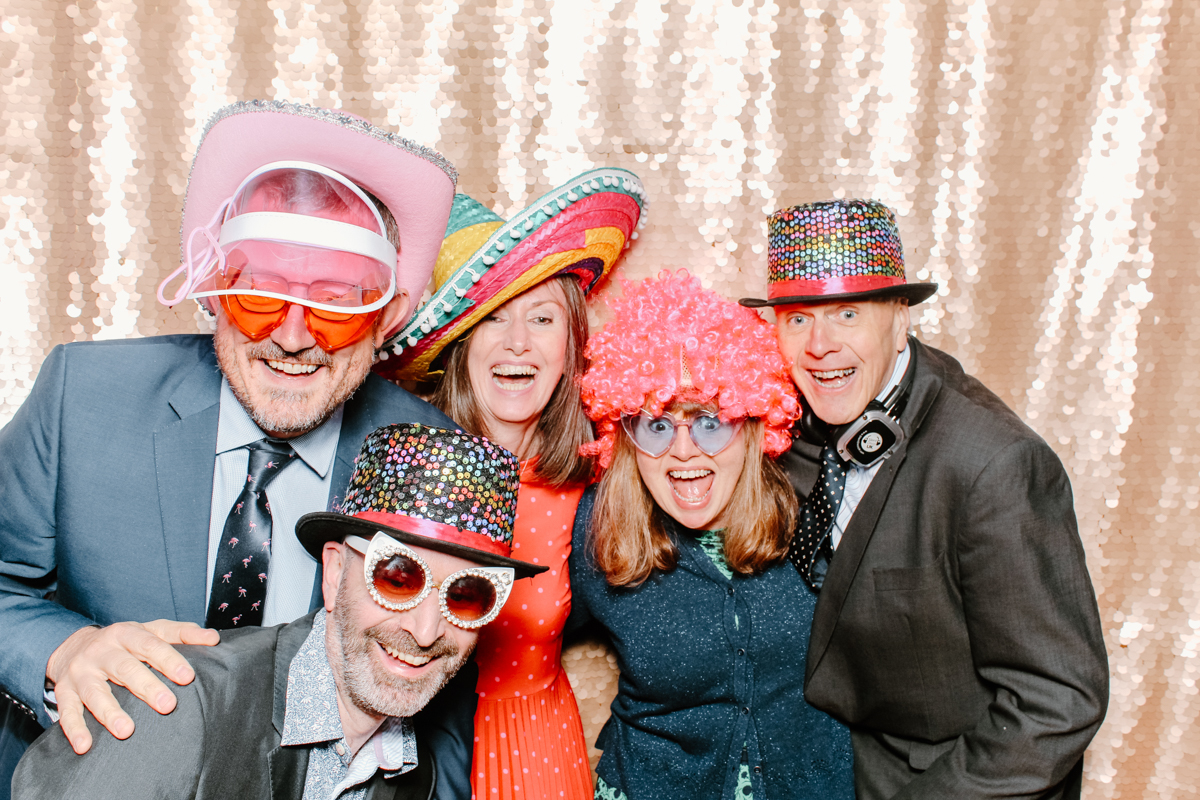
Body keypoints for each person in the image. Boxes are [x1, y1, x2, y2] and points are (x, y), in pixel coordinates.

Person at [0, 100, 476, 799]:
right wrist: (60, 652)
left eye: (336, 306)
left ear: (386, 322)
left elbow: (445, 716)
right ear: (213, 293)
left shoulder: (430, 456)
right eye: (258, 295)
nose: (291, 337)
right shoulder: (83, 397)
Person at [740, 199, 1109, 799]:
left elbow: (1057, 701)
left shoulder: (993, 464)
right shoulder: (786, 423)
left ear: (900, 316)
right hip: (832, 767)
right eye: (798, 319)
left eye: (847, 315)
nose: (819, 347)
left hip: (956, 779)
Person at [12, 424, 546, 800]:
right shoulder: (174, 707)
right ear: (334, 573)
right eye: (397, 577)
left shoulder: (411, 765)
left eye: (466, 594)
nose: (426, 631)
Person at [384, 169, 646, 799]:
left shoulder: (596, 482)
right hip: (412, 746)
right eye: (495, 318)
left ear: (571, 342)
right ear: (462, 343)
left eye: (543, 318)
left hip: (536, 747)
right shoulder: (404, 464)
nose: (519, 343)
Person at [568, 270, 854, 800]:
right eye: (655, 425)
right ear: (625, 441)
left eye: (710, 421)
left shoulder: (814, 513)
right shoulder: (597, 533)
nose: (683, 451)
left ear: (751, 426)